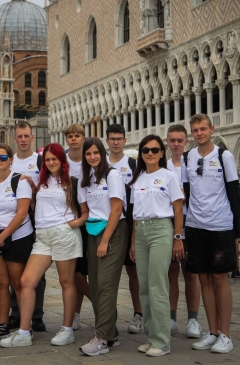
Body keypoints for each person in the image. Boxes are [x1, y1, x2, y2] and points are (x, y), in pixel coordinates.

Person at [0, 143, 85, 348]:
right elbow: (34, 203)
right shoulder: (42, 181)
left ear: (61, 160)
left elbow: (86, 211)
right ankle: (23, 332)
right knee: (27, 281)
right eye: (47, 159)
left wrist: (73, 223)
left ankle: (67, 330)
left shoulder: (72, 182)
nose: (51, 162)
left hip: (64, 234)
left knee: (67, 282)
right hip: (43, 236)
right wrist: (29, 182)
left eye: (54, 158)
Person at [182, 113, 240, 354]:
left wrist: (236, 230)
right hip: (195, 225)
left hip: (220, 225)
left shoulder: (224, 155)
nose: (199, 133)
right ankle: (213, 331)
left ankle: (226, 335)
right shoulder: (189, 157)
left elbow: (234, 191)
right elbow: (187, 190)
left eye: (203, 129)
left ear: (212, 129)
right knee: (203, 277)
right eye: (195, 130)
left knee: (219, 278)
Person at [128, 134, 185, 357]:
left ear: (162, 153)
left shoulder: (169, 177)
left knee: (157, 285)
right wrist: (133, 241)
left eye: (154, 150)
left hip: (161, 229)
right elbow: (134, 214)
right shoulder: (138, 178)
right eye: (145, 150)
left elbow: (178, 209)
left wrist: (178, 237)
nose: (150, 154)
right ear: (141, 154)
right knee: (144, 285)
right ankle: (151, 336)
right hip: (141, 230)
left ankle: (162, 341)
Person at [77, 137, 128, 356]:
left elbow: (116, 209)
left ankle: (101, 339)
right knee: (96, 285)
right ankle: (111, 332)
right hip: (93, 231)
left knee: (106, 285)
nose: (92, 157)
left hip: (113, 231)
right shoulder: (85, 177)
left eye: (96, 153)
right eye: (88, 154)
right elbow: (85, 210)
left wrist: (106, 240)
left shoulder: (112, 174)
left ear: (103, 152)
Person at [0, 144, 35, 341]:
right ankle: (2, 325)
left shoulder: (19, 181)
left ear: (11, 160)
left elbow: (21, 213)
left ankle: (24, 327)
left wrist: (2, 237)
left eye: (3, 157)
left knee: (18, 283)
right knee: (1, 283)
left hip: (18, 236)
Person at [105, 123, 143, 334]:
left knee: (133, 271)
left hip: (128, 221)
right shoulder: (100, 164)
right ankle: (108, 317)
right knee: (108, 273)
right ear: (107, 141)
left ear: (125, 140)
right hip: (107, 221)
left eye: (120, 138)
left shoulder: (133, 164)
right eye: (113, 138)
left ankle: (138, 314)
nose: (116, 142)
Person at [165, 124, 203, 338]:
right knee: (171, 272)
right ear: (168, 142)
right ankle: (171, 318)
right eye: (172, 140)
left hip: (192, 221)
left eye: (180, 140)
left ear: (186, 141)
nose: (176, 144)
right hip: (169, 221)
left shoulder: (193, 164)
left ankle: (193, 320)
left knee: (191, 273)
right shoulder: (164, 166)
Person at [9, 121, 46, 332]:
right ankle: (17, 312)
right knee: (15, 268)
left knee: (37, 270)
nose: (23, 140)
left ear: (32, 138)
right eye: (19, 136)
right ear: (14, 139)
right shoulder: (10, 161)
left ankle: (37, 315)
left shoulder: (41, 161)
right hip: (14, 220)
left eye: (26, 136)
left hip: (37, 219)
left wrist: (33, 187)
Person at [64, 124, 90, 331]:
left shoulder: (90, 158)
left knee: (84, 269)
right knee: (75, 271)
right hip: (70, 217)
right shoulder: (62, 161)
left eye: (77, 136)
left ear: (83, 138)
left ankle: (97, 305)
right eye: (71, 136)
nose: (74, 139)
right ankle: (77, 314)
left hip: (92, 216)